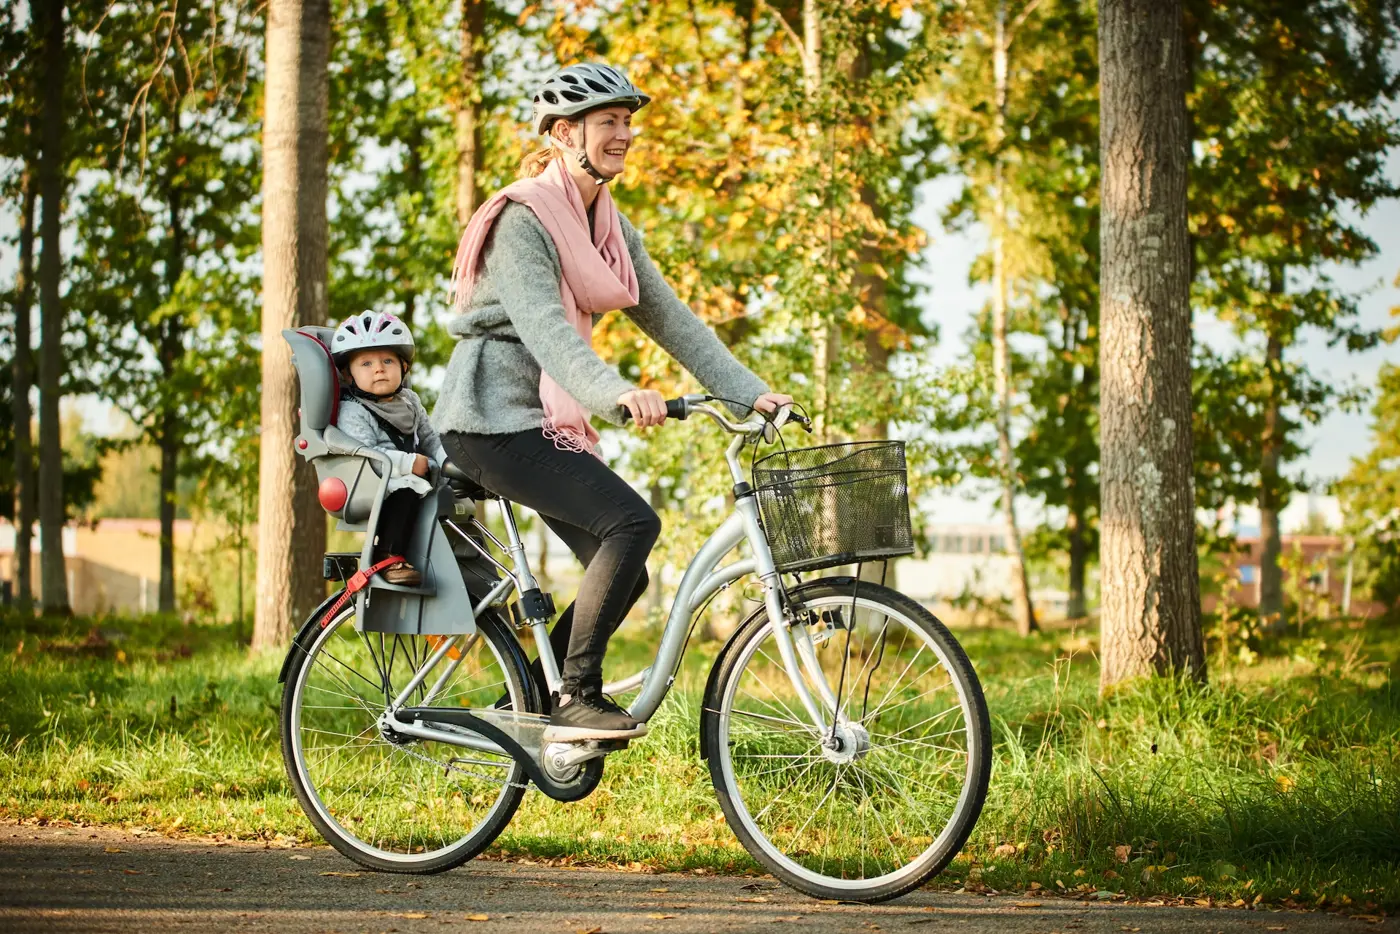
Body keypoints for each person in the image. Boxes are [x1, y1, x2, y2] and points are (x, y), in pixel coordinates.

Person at [434, 62, 793, 743]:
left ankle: (529, 704)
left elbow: (673, 320)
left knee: (627, 570)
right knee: (631, 524)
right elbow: (546, 330)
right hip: (488, 420)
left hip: (540, 423)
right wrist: (615, 393)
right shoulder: (520, 220)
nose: (624, 133)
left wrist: (750, 393)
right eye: (608, 121)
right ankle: (575, 695)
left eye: (628, 121)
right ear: (564, 133)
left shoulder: (609, 227)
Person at [332, 311, 447, 587]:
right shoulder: (353, 411)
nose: (379, 369)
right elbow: (367, 454)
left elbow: (430, 438)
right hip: (374, 479)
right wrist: (408, 463)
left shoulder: (410, 401)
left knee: (450, 493)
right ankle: (388, 555)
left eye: (387, 361)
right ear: (348, 374)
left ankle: (444, 558)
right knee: (405, 492)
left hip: (411, 474)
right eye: (366, 363)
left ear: (403, 367)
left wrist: (448, 462)